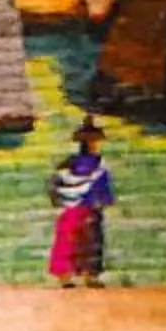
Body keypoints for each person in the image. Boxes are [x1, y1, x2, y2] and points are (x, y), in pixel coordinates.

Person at [46, 117, 116, 285]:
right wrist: (104, 200)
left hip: (71, 210)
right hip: (88, 209)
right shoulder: (98, 165)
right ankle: (89, 276)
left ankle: (66, 277)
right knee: (90, 243)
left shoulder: (67, 164)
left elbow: (54, 186)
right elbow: (102, 187)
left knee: (69, 243)